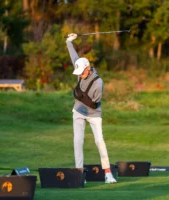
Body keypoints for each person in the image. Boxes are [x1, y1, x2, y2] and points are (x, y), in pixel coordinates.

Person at [66, 33, 117, 184]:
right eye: (78, 73)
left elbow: (93, 103)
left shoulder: (98, 83)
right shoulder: (80, 67)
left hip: (93, 113)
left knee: (99, 141)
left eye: (82, 72)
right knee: (78, 141)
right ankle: (79, 174)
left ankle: (107, 173)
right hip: (78, 113)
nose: (80, 75)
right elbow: (73, 56)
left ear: (88, 68)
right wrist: (69, 42)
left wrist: (79, 97)